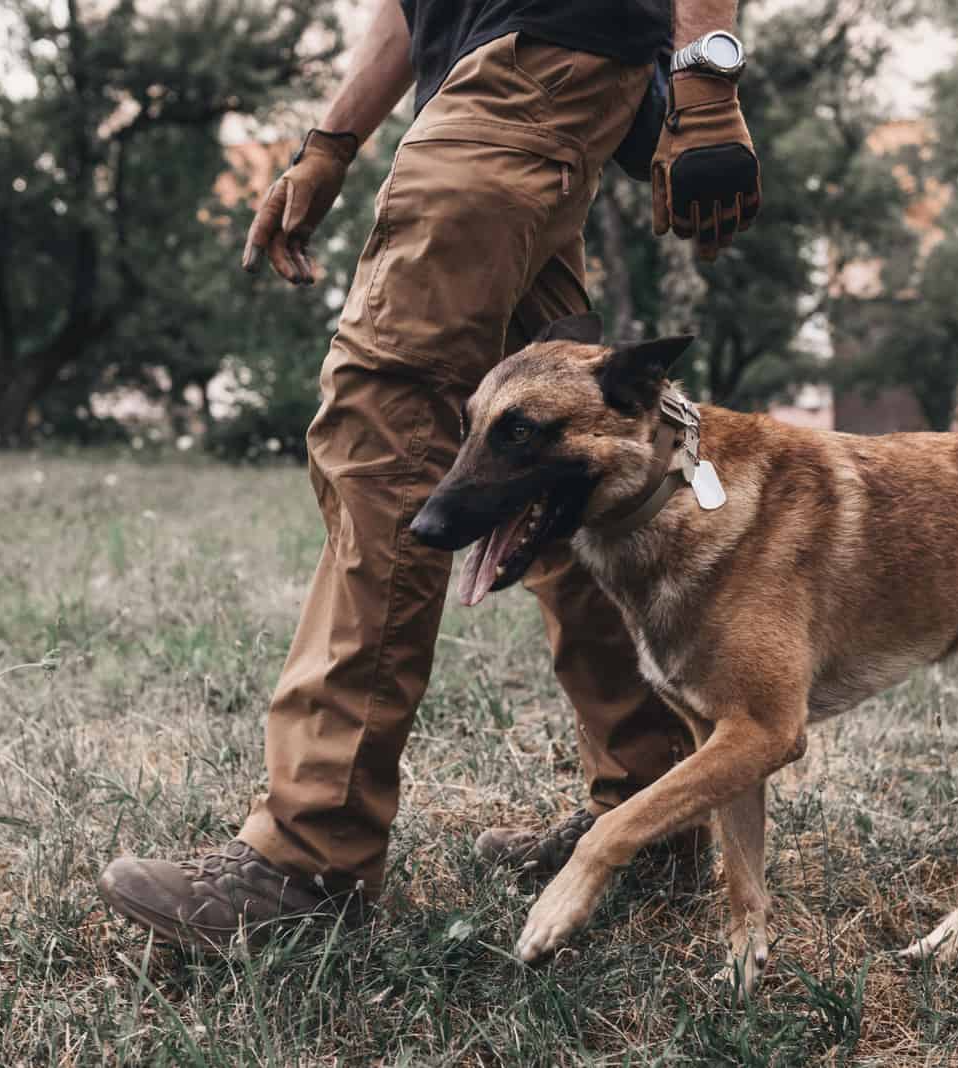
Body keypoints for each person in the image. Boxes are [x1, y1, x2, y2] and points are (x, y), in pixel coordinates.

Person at [97, 0, 763, 946]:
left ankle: (310, 860)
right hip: (509, 79)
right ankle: (651, 809)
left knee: (388, 425)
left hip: (526, 77)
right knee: (555, 456)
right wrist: (331, 140)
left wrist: (704, 78)